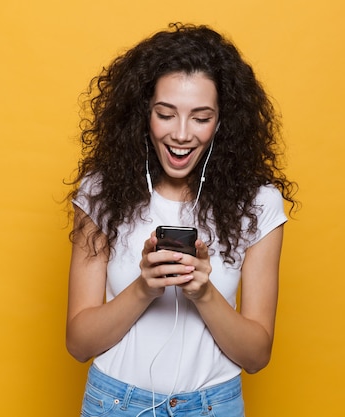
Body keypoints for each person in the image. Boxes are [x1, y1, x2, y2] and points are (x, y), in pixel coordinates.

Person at [66, 23, 297, 417]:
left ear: (223, 122)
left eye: (201, 117)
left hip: (213, 407)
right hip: (115, 405)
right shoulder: (101, 193)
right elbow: (79, 344)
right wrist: (145, 287)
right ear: (144, 114)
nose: (182, 134)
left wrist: (203, 292)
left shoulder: (259, 204)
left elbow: (256, 356)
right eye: (166, 114)